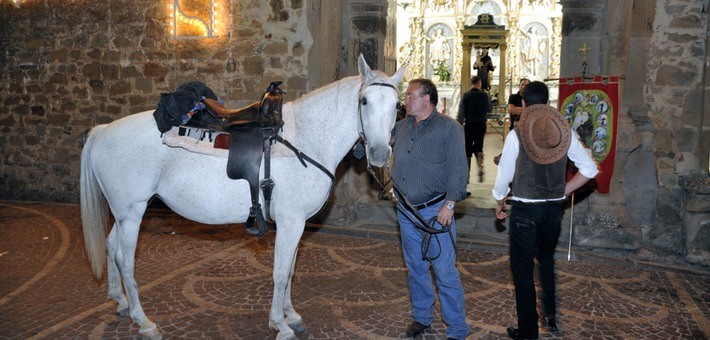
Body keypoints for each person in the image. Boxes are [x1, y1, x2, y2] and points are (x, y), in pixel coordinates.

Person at [492, 81, 598, 340]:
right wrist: (563, 191)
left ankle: (528, 331)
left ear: (524, 104)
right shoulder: (564, 133)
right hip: (553, 211)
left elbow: (504, 176)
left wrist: (498, 200)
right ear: (548, 104)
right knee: (547, 260)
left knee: (523, 269)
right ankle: (550, 316)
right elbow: (590, 169)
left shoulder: (516, 135)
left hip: (526, 211)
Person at [392, 78, 470, 340]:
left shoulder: (450, 129)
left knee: (445, 271)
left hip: (436, 212)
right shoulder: (400, 128)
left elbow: (459, 170)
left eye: (411, 95)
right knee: (415, 268)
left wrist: (449, 204)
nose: (406, 100)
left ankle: (457, 329)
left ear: (427, 98)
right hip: (405, 211)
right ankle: (422, 317)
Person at [457, 75, 492, 183]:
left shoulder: (466, 96)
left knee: (467, 148)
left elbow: (461, 112)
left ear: (472, 83)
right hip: (481, 124)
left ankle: (466, 175)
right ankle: (480, 167)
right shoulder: (484, 95)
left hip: (469, 125)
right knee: (478, 147)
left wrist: (460, 124)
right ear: (479, 83)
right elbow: (489, 109)